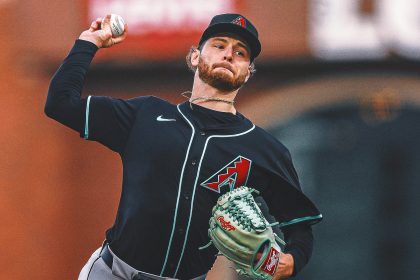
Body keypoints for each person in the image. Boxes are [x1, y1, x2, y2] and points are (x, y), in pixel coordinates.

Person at [45, 13, 322, 280]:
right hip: (112, 273)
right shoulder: (144, 115)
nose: (229, 54)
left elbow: (300, 222)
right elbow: (60, 104)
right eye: (219, 45)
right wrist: (88, 42)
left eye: (240, 53)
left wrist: (290, 262)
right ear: (195, 57)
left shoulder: (263, 148)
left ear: (248, 72)